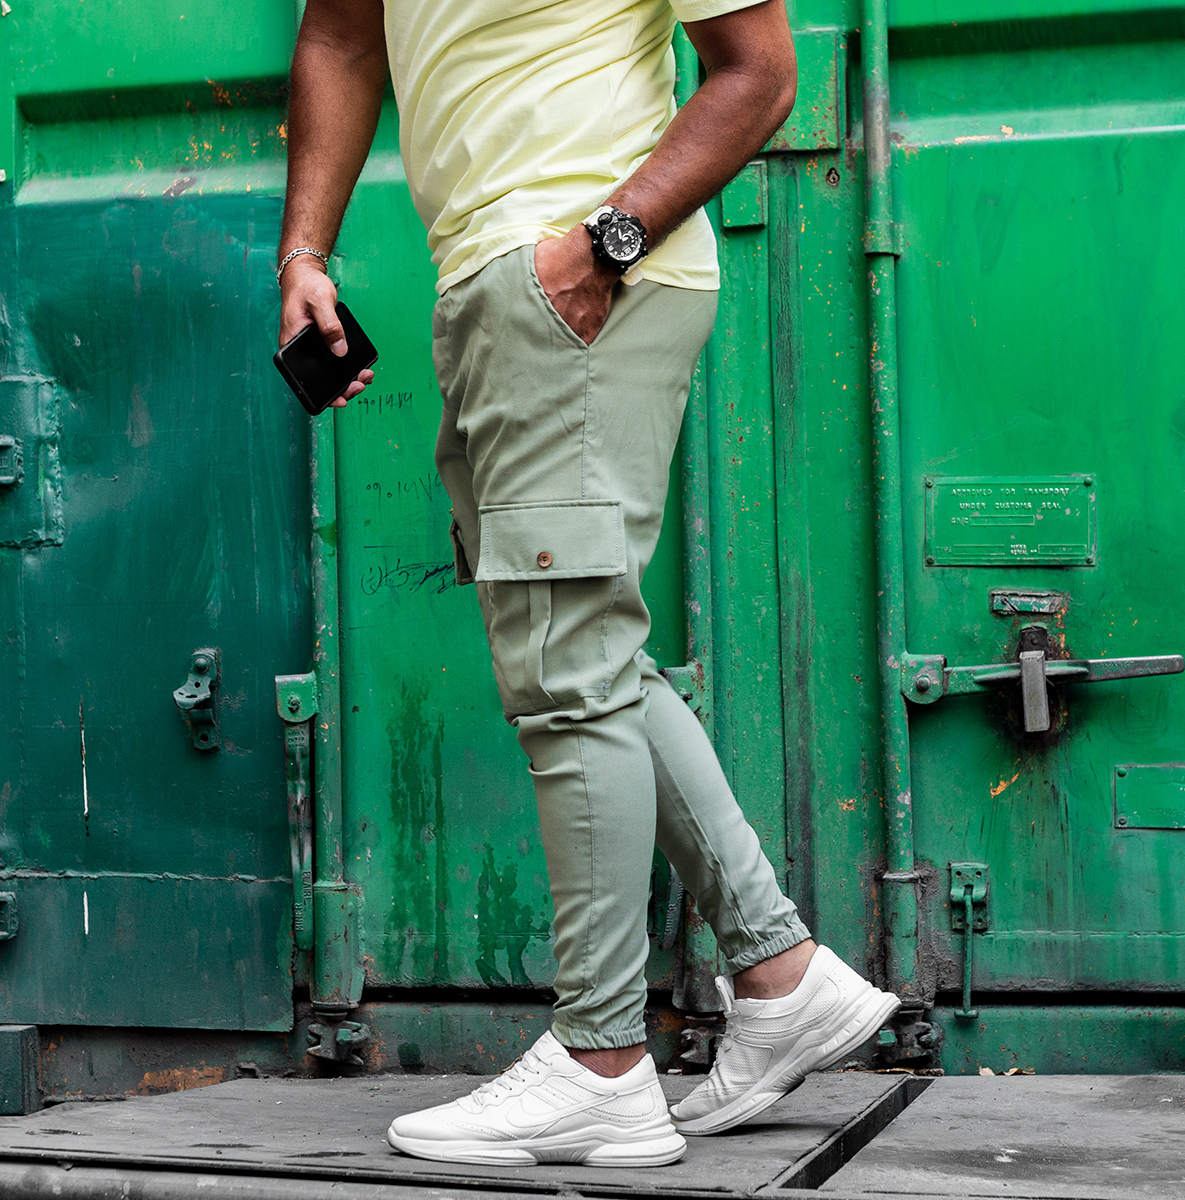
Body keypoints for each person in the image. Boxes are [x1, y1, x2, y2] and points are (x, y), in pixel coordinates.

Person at [277, 0, 900, 1169]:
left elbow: (759, 71)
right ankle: (780, 974)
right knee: (589, 657)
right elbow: (341, 36)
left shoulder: (590, 260)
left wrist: (603, 244)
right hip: (493, 284)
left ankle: (602, 1063)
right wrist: (304, 252)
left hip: (579, 273)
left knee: (570, 667)